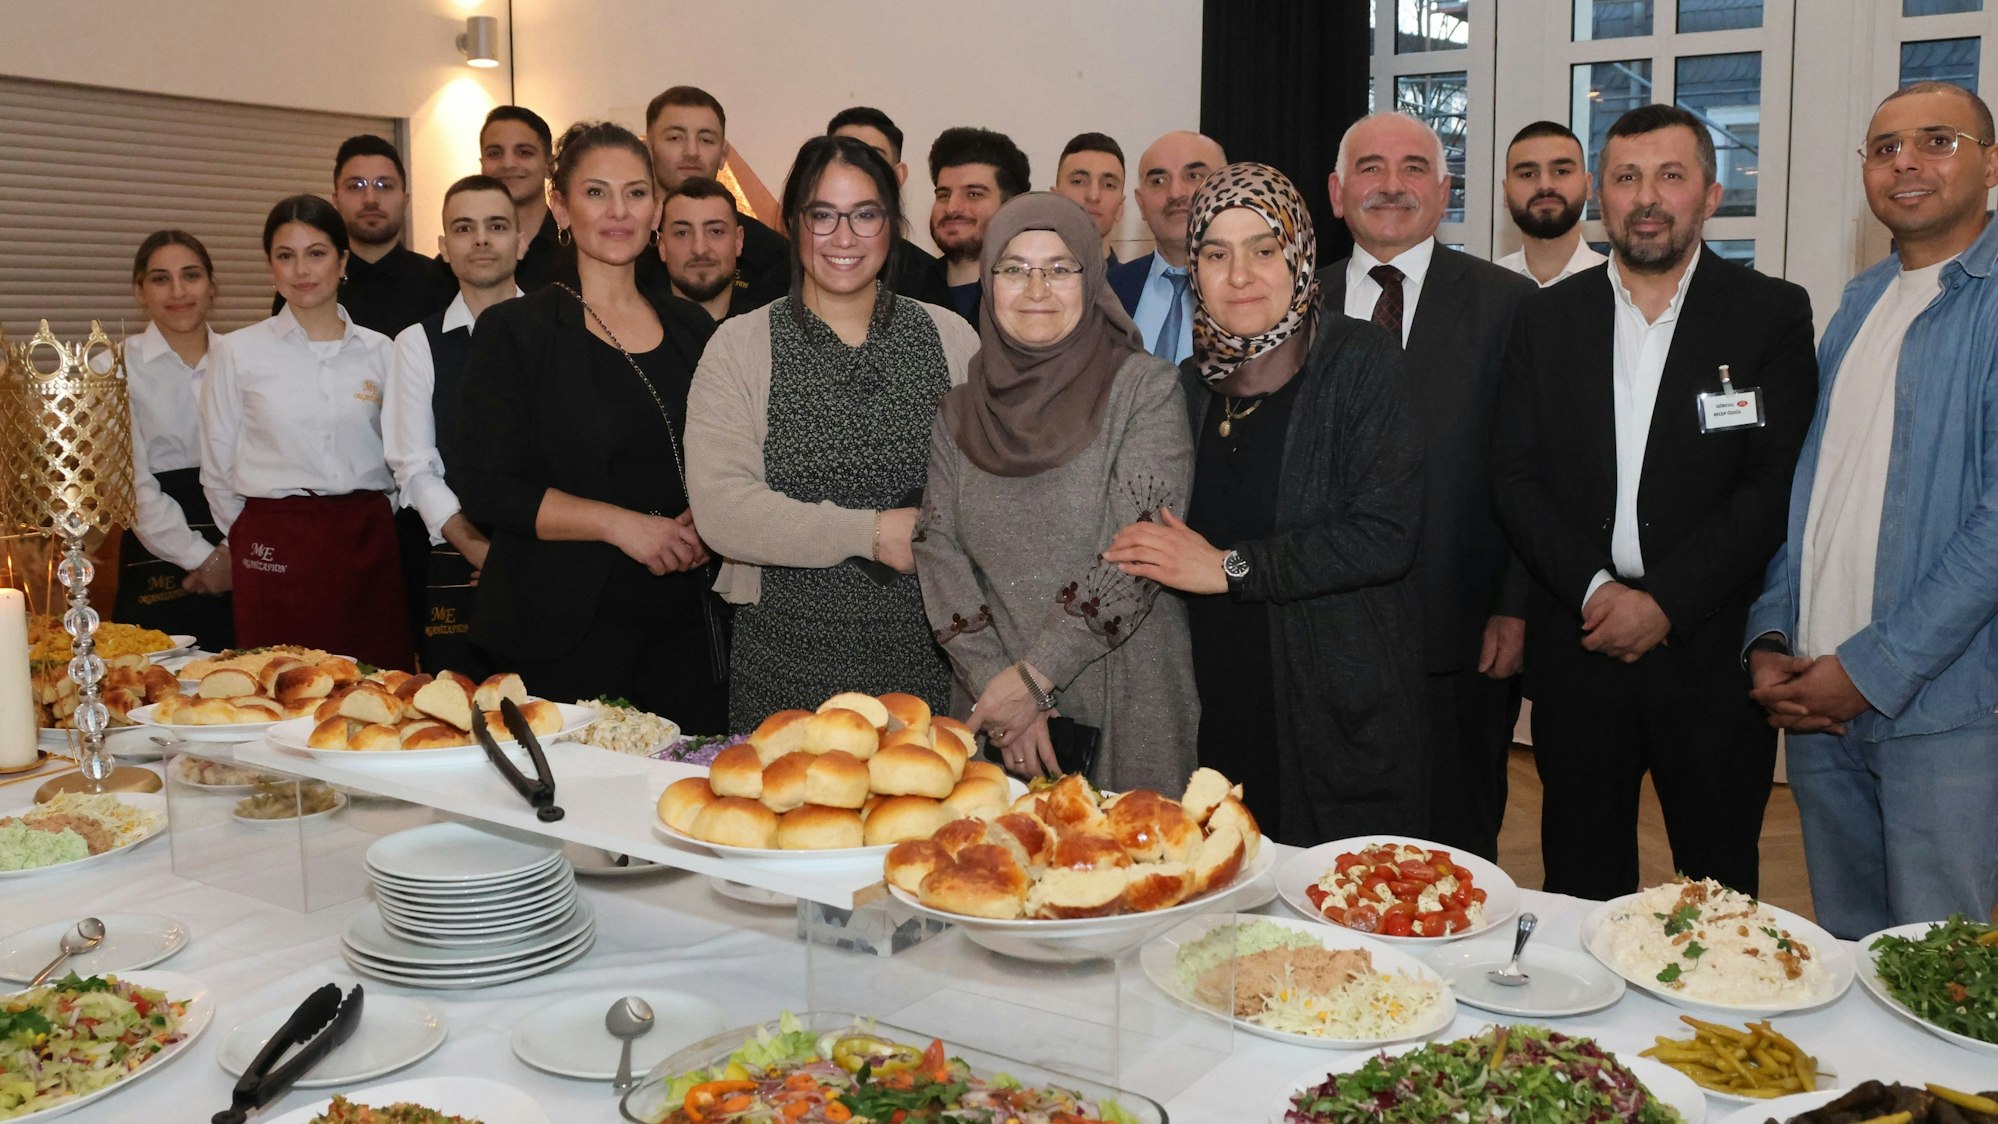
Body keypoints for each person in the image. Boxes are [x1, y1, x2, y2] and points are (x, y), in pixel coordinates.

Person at [1492, 104, 1818, 900]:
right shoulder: (1543, 319)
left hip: (1707, 655)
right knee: (1579, 883)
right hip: (1582, 647)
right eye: (1627, 177)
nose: (1647, 197)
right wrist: (1600, 592)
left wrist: (1665, 602)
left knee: (1717, 896)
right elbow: (1514, 477)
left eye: (1670, 176)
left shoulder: (1769, 314)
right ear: (1600, 195)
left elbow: (1771, 487)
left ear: (1710, 194)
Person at [1104, 164, 1426, 847]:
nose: (1240, 275)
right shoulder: (1186, 385)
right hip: (1210, 707)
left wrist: (1232, 568)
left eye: (1263, 249)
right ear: (1195, 269)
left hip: (1332, 713)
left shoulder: (1361, 362)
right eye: (1216, 254)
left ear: (1301, 255)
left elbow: (1384, 534)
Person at [1745, 81, 1998, 937]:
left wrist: (1871, 671)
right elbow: (1814, 488)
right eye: (1885, 148)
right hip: (1820, 702)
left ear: (1991, 163)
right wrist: (1774, 633)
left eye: (1938, 141)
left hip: (1943, 714)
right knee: (1852, 961)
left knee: (1937, 973)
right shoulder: (1859, 303)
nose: (1907, 164)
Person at [686, 135, 980, 731]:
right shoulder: (741, 347)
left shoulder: (951, 340)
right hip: (786, 666)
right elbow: (722, 512)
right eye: (823, 215)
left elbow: (988, 495)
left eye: (865, 215)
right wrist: (871, 533)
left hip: (931, 665)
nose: (844, 238)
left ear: (892, 226)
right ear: (794, 225)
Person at [915, 193, 1196, 793]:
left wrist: (1035, 677)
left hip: (1125, 700)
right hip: (993, 714)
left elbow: (1138, 553)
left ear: (1091, 279)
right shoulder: (958, 410)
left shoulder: (1144, 390)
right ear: (988, 283)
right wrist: (1007, 694)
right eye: (1013, 268)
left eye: (1060, 268)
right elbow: (936, 549)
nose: (1035, 288)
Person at [456, 122, 725, 731]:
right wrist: (619, 526)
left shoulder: (693, 331)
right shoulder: (515, 331)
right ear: (560, 205)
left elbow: (729, 458)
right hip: (558, 626)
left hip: (682, 620)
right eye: (596, 192)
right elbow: (486, 485)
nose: (618, 211)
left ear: (656, 207)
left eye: (635, 193)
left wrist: (713, 524)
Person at [1321, 111, 1535, 862]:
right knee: (1328, 846)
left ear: (1443, 192)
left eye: (1413, 168)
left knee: (1456, 846)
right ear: (1338, 191)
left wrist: (1513, 605)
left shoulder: (1509, 305)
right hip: (1320, 633)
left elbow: (1528, 470)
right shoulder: (1290, 307)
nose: (1390, 185)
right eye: (1370, 168)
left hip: (1463, 634)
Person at [200, 194, 413, 670]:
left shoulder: (383, 351)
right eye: (285, 255)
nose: (302, 270)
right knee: (276, 686)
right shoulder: (237, 353)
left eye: (316, 253)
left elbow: (402, 457)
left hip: (366, 538)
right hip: (274, 540)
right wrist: (254, 536)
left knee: (375, 683)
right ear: (271, 267)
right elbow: (217, 469)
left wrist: (372, 511)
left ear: (343, 261)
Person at [383, 174, 523, 676]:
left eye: (496, 225)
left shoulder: (563, 330)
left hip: (551, 560)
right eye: (464, 228)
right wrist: (481, 551)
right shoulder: (416, 344)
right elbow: (414, 469)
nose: (481, 239)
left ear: (521, 240)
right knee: (460, 722)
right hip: (458, 559)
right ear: (443, 248)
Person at [116, 230, 233, 651]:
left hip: (242, 541)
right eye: (161, 279)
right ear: (139, 290)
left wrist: (234, 552)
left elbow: (269, 468)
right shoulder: (112, 368)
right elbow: (130, 484)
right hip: (157, 550)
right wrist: (204, 559)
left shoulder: (244, 359)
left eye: (191, 275)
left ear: (212, 286)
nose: (178, 291)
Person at [276, 134, 455, 337]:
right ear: (336, 199)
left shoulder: (442, 283)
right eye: (356, 186)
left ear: (405, 200)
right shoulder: (308, 284)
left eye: (384, 185)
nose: (370, 199)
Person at [643, 86, 786, 296]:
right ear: (648, 150)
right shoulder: (624, 241)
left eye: (706, 139)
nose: (691, 152)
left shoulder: (769, 252)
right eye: (675, 138)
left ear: (723, 154)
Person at [1108, 131, 1227, 365]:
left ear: (1226, 189)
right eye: (1158, 181)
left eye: (1193, 175)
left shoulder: (1251, 291)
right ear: (1141, 204)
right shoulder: (1108, 291)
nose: (1175, 193)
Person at [828, 106, 954, 308]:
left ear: (898, 176)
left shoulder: (927, 281)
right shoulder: (788, 272)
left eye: (874, 158)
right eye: (846, 156)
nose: (858, 170)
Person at [927, 126, 1032, 324]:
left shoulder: (1035, 294)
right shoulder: (901, 293)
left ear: (1012, 207)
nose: (952, 208)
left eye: (974, 194)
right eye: (944, 195)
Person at [1497, 120, 1608, 287]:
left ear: (1588, 185)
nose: (1545, 186)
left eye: (1561, 171)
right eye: (1528, 174)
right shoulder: (1485, 290)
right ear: (1506, 192)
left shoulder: (1617, 286)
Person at [480, 105, 562, 291]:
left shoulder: (576, 253)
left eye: (524, 152)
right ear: (482, 164)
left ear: (549, 165)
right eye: (494, 153)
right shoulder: (460, 258)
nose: (508, 164)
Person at [658, 177, 752, 322]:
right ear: (662, 247)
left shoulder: (768, 331)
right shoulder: (633, 333)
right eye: (682, 233)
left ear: (738, 241)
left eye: (715, 231)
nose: (699, 249)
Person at [1051, 132, 1127, 266]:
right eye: (1079, 181)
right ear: (1055, 200)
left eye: (1108, 185)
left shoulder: (1135, 286)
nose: (1093, 196)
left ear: (1120, 208)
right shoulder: (1024, 283)